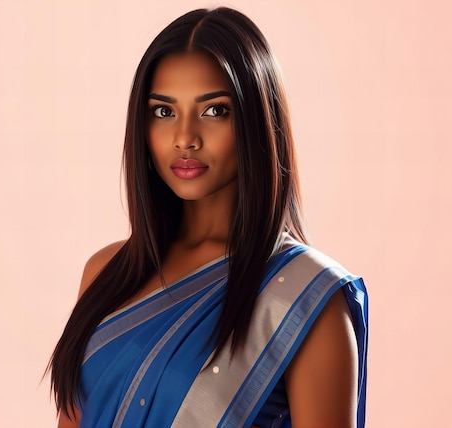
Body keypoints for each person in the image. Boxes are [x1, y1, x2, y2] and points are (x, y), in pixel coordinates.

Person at [48, 7, 368, 428]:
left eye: (215, 110)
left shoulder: (306, 298)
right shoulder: (106, 273)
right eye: (164, 112)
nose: (185, 137)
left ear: (257, 120)